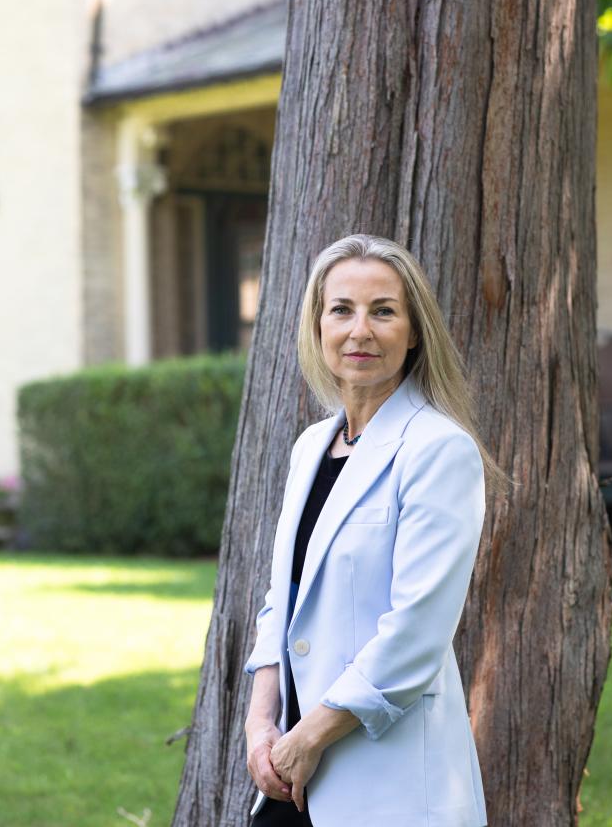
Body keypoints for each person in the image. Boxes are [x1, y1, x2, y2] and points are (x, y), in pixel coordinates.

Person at [243, 234, 505, 827]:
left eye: (383, 311)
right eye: (342, 309)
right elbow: (280, 602)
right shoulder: (311, 447)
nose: (360, 330)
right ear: (318, 326)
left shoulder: (439, 449)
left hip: (385, 780)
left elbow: (416, 631)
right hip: (289, 774)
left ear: (414, 332)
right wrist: (261, 726)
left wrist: (308, 737)